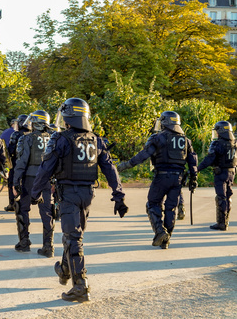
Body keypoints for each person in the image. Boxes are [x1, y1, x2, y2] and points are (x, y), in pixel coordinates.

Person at [32, 98, 128, 302]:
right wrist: (118, 195)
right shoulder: (96, 139)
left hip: (68, 193)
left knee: (73, 237)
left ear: (68, 118)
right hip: (87, 194)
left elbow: (45, 169)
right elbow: (110, 169)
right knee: (74, 235)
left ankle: (80, 285)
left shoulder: (61, 139)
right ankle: (65, 270)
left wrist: (34, 193)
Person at [117, 111, 198, 249]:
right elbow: (192, 160)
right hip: (178, 178)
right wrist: (193, 178)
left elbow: (143, 155)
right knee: (171, 208)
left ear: (165, 122)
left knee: (153, 204)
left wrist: (125, 166)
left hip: (161, 176)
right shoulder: (185, 140)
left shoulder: (158, 138)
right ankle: (166, 240)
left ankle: (160, 232)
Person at [13, 110, 54, 256]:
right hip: (48, 179)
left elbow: (22, 161)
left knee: (23, 208)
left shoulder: (27, 138)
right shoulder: (53, 138)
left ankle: (24, 242)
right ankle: (48, 246)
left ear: (36, 123)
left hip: (30, 178)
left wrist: (16, 181)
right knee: (47, 212)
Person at [197, 121, 237, 231]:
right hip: (231, 172)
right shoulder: (235, 142)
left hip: (220, 173)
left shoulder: (217, 144)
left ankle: (222, 223)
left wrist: (197, 169)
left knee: (221, 197)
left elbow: (209, 160)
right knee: (228, 196)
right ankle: (226, 221)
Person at [5, 114, 31, 212]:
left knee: (12, 182)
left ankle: (12, 203)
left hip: (17, 162)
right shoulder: (32, 134)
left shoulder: (16, 135)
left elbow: (11, 150)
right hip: (29, 163)